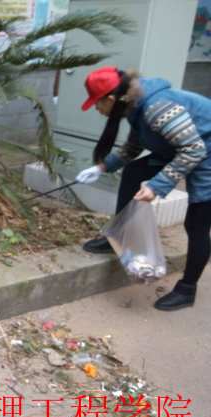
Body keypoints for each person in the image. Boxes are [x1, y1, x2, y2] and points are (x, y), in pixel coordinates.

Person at [76, 66, 211, 312]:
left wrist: (156, 187)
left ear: (111, 99)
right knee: (133, 172)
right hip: (182, 149)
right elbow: (133, 146)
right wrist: (102, 167)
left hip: (204, 152)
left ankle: (187, 289)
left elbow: (193, 150)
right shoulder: (135, 106)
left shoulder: (157, 108)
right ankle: (119, 236)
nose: (97, 109)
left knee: (197, 222)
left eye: (97, 103)